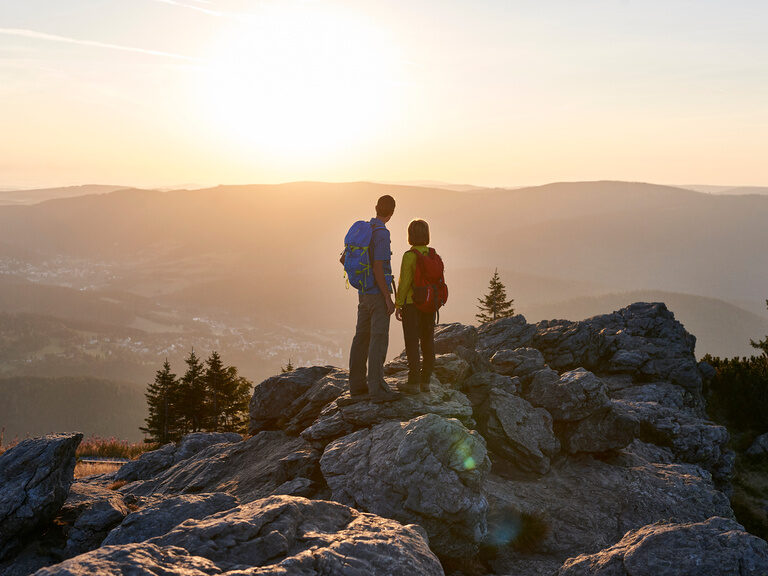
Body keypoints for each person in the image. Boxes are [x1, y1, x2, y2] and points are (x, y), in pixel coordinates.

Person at [343, 195, 401, 404]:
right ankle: (377, 390)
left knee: (360, 338)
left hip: (363, 292)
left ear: (376, 208)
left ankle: (357, 386)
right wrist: (388, 298)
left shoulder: (364, 229)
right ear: (391, 212)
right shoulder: (382, 234)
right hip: (377, 293)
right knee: (378, 339)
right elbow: (378, 267)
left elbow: (343, 257)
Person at [395, 219, 436, 395]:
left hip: (412, 305)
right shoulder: (432, 254)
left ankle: (413, 383)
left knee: (412, 343)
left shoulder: (409, 256)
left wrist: (398, 304)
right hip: (429, 304)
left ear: (410, 235)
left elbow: (404, 283)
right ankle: (426, 381)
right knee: (428, 342)